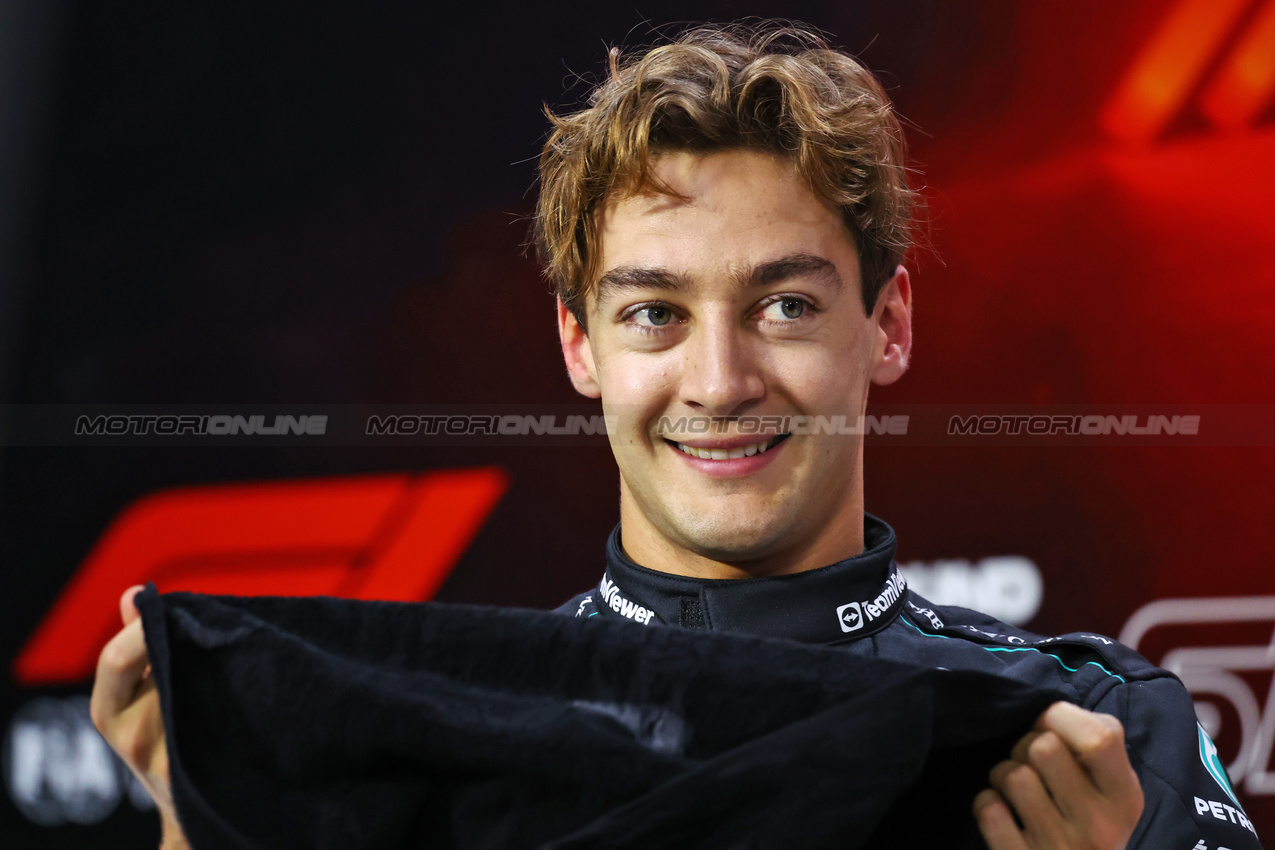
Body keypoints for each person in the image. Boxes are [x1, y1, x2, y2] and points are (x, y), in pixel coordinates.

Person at [92, 21, 1258, 850]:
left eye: (785, 306)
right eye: (656, 312)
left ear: (888, 324)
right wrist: (215, 822)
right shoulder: (435, 746)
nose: (721, 378)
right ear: (579, 345)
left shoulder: (1100, 742)